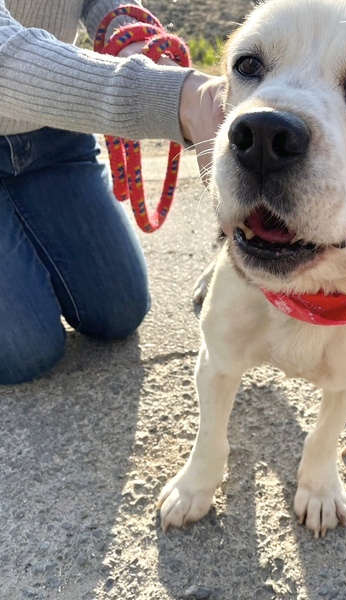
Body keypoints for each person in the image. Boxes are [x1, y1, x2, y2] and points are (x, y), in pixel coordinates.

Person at [0, 0, 224, 385]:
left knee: (119, 311)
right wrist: (177, 97)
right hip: (27, 89)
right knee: (27, 353)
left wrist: (133, 41)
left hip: (52, 134)